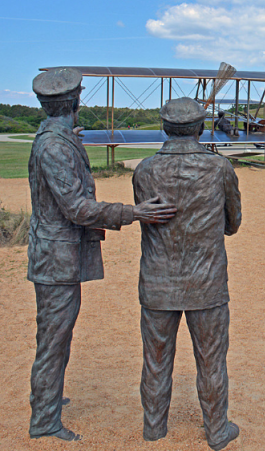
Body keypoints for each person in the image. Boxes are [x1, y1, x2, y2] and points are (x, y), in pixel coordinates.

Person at [28, 67, 177, 442]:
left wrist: (71, 142)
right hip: (56, 258)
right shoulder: (54, 146)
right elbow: (77, 209)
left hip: (59, 255)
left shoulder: (58, 137)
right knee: (54, 337)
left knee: (57, 334)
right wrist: (134, 212)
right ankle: (44, 420)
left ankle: (47, 399)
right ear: (74, 102)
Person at [133, 97, 242, 451]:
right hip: (205, 282)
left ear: (165, 127)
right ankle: (216, 430)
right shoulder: (219, 167)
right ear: (199, 127)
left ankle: (154, 427)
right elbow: (233, 222)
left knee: (156, 358)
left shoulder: (145, 170)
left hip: (158, 280)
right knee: (211, 359)